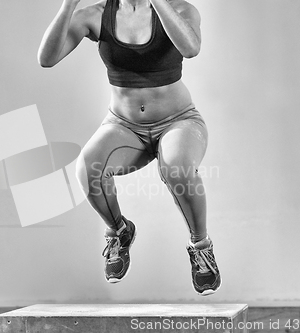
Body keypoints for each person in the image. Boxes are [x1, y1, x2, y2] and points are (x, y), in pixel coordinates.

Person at [38, 0, 221, 296]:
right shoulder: (95, 15)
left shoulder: (181, 9)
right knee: (88, 167)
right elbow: (46, 59)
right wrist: (68, 4)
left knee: (176, 167)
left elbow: (191, 49)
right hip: (124, 126)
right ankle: (119, 232)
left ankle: (201, 246)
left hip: (179, 121)